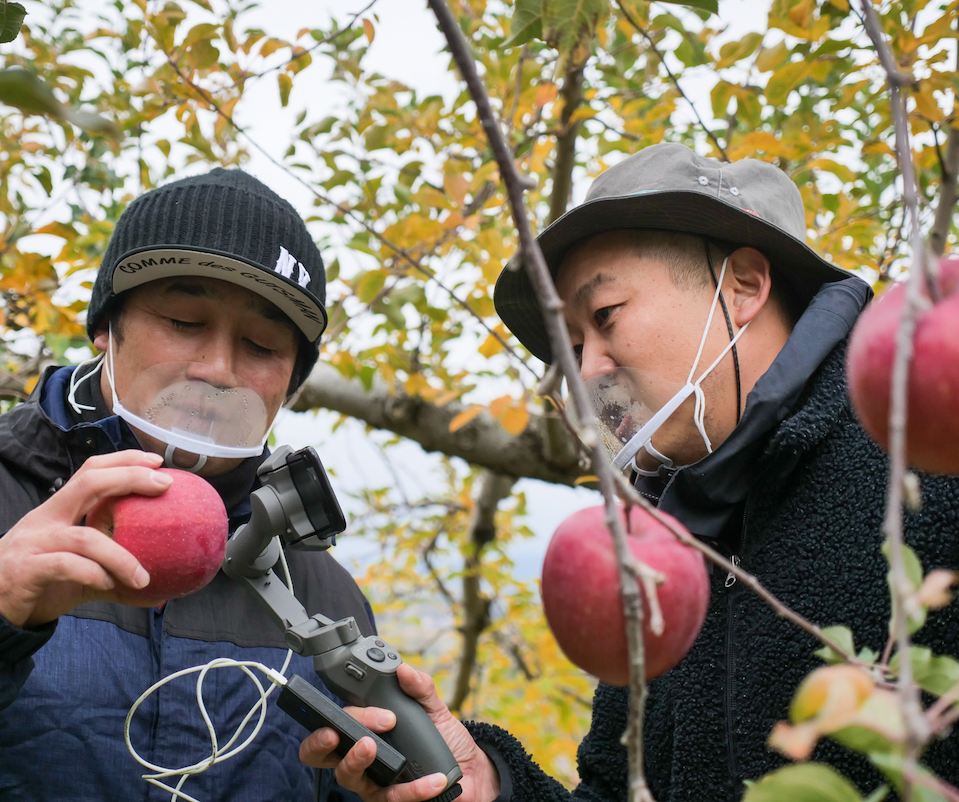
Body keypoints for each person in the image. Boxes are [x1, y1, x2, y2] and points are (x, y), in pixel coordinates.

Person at [299, 142, 959, 801]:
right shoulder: (657, 540)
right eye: (576, 344)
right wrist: (490, 785)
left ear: (744, 287)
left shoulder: (931, 458)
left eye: (606, 316)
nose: (588, 372)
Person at [0, 168, 375, 802]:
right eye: (184, 322)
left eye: (260, 345)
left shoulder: (319, 595)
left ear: (288, 384)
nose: (218, 368)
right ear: (106, 328)